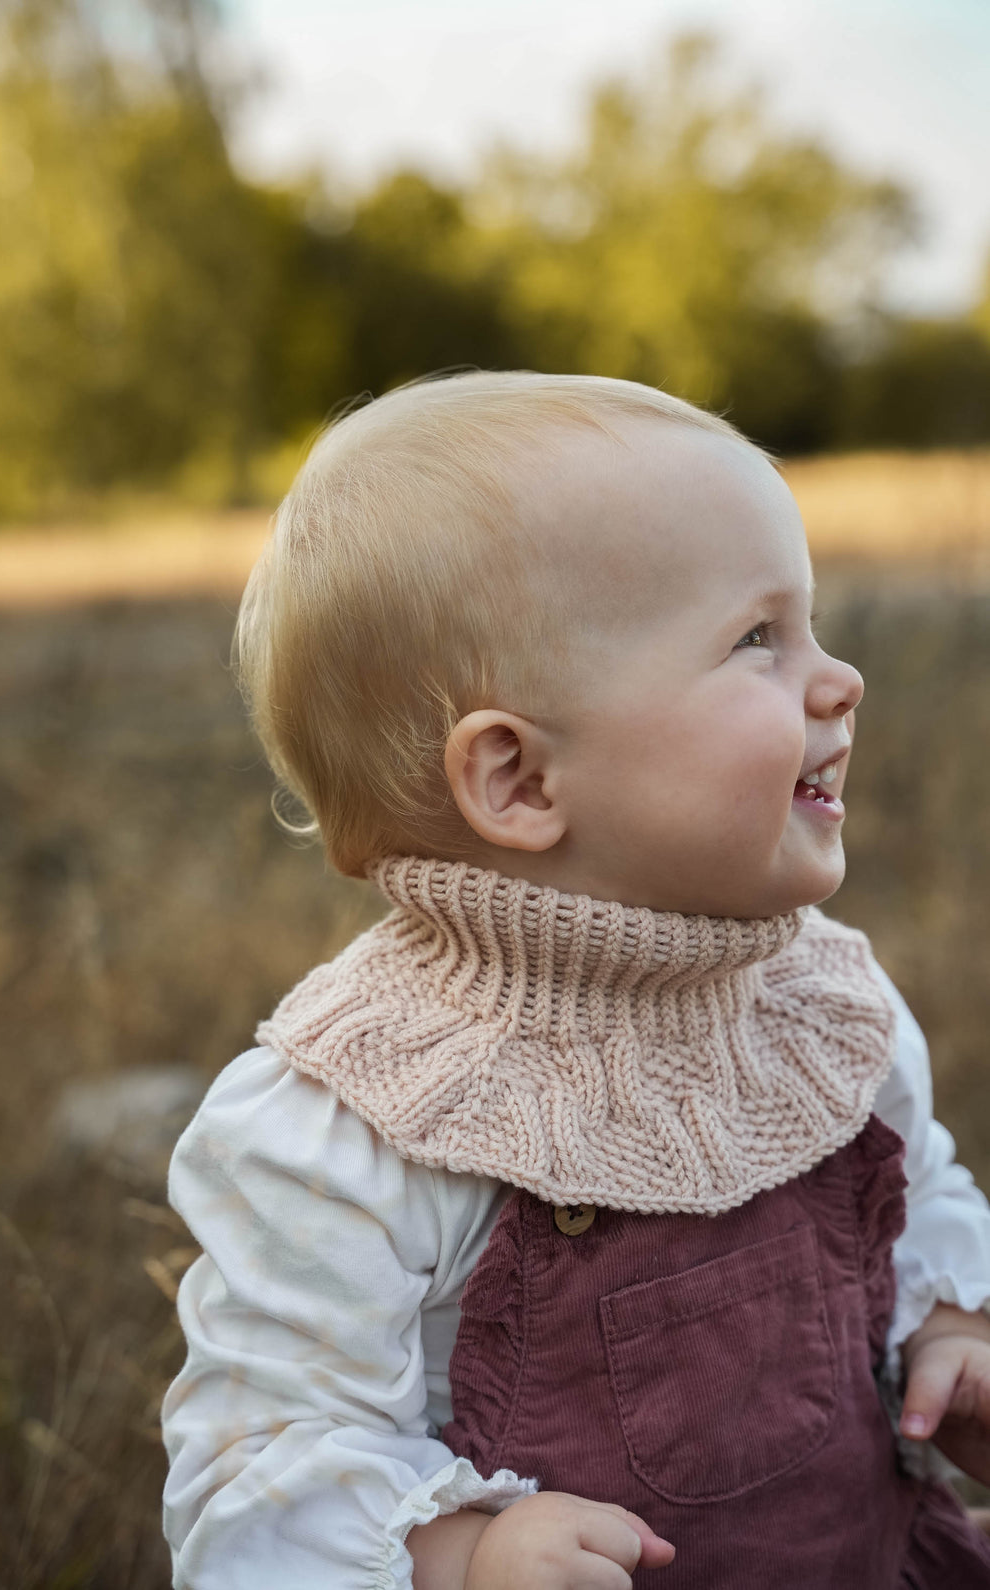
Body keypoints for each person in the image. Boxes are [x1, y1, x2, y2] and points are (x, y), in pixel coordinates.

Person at [161, 372, 990, 1589]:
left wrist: (950, 1324)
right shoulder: (353, 1123)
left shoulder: (823, 1007)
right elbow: (250, 1481)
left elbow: (918, 1193)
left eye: (808, 625)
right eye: (756, 639)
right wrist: (458, 1552)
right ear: (520, 781)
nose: (837, 679)